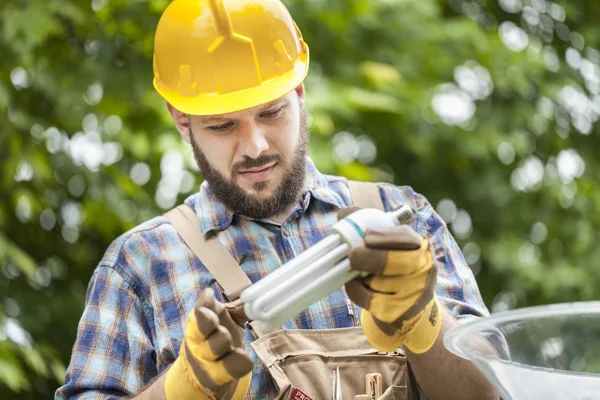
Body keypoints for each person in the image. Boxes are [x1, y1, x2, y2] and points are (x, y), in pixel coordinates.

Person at [56, 0, 498, 399]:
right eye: (223, 126)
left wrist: (424, 320)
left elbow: (494, 391)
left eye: (271, 112)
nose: (255, 146)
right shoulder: (141, 264)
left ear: (300, 95)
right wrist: (180, 390)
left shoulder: (403, 221)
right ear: (181, 120)